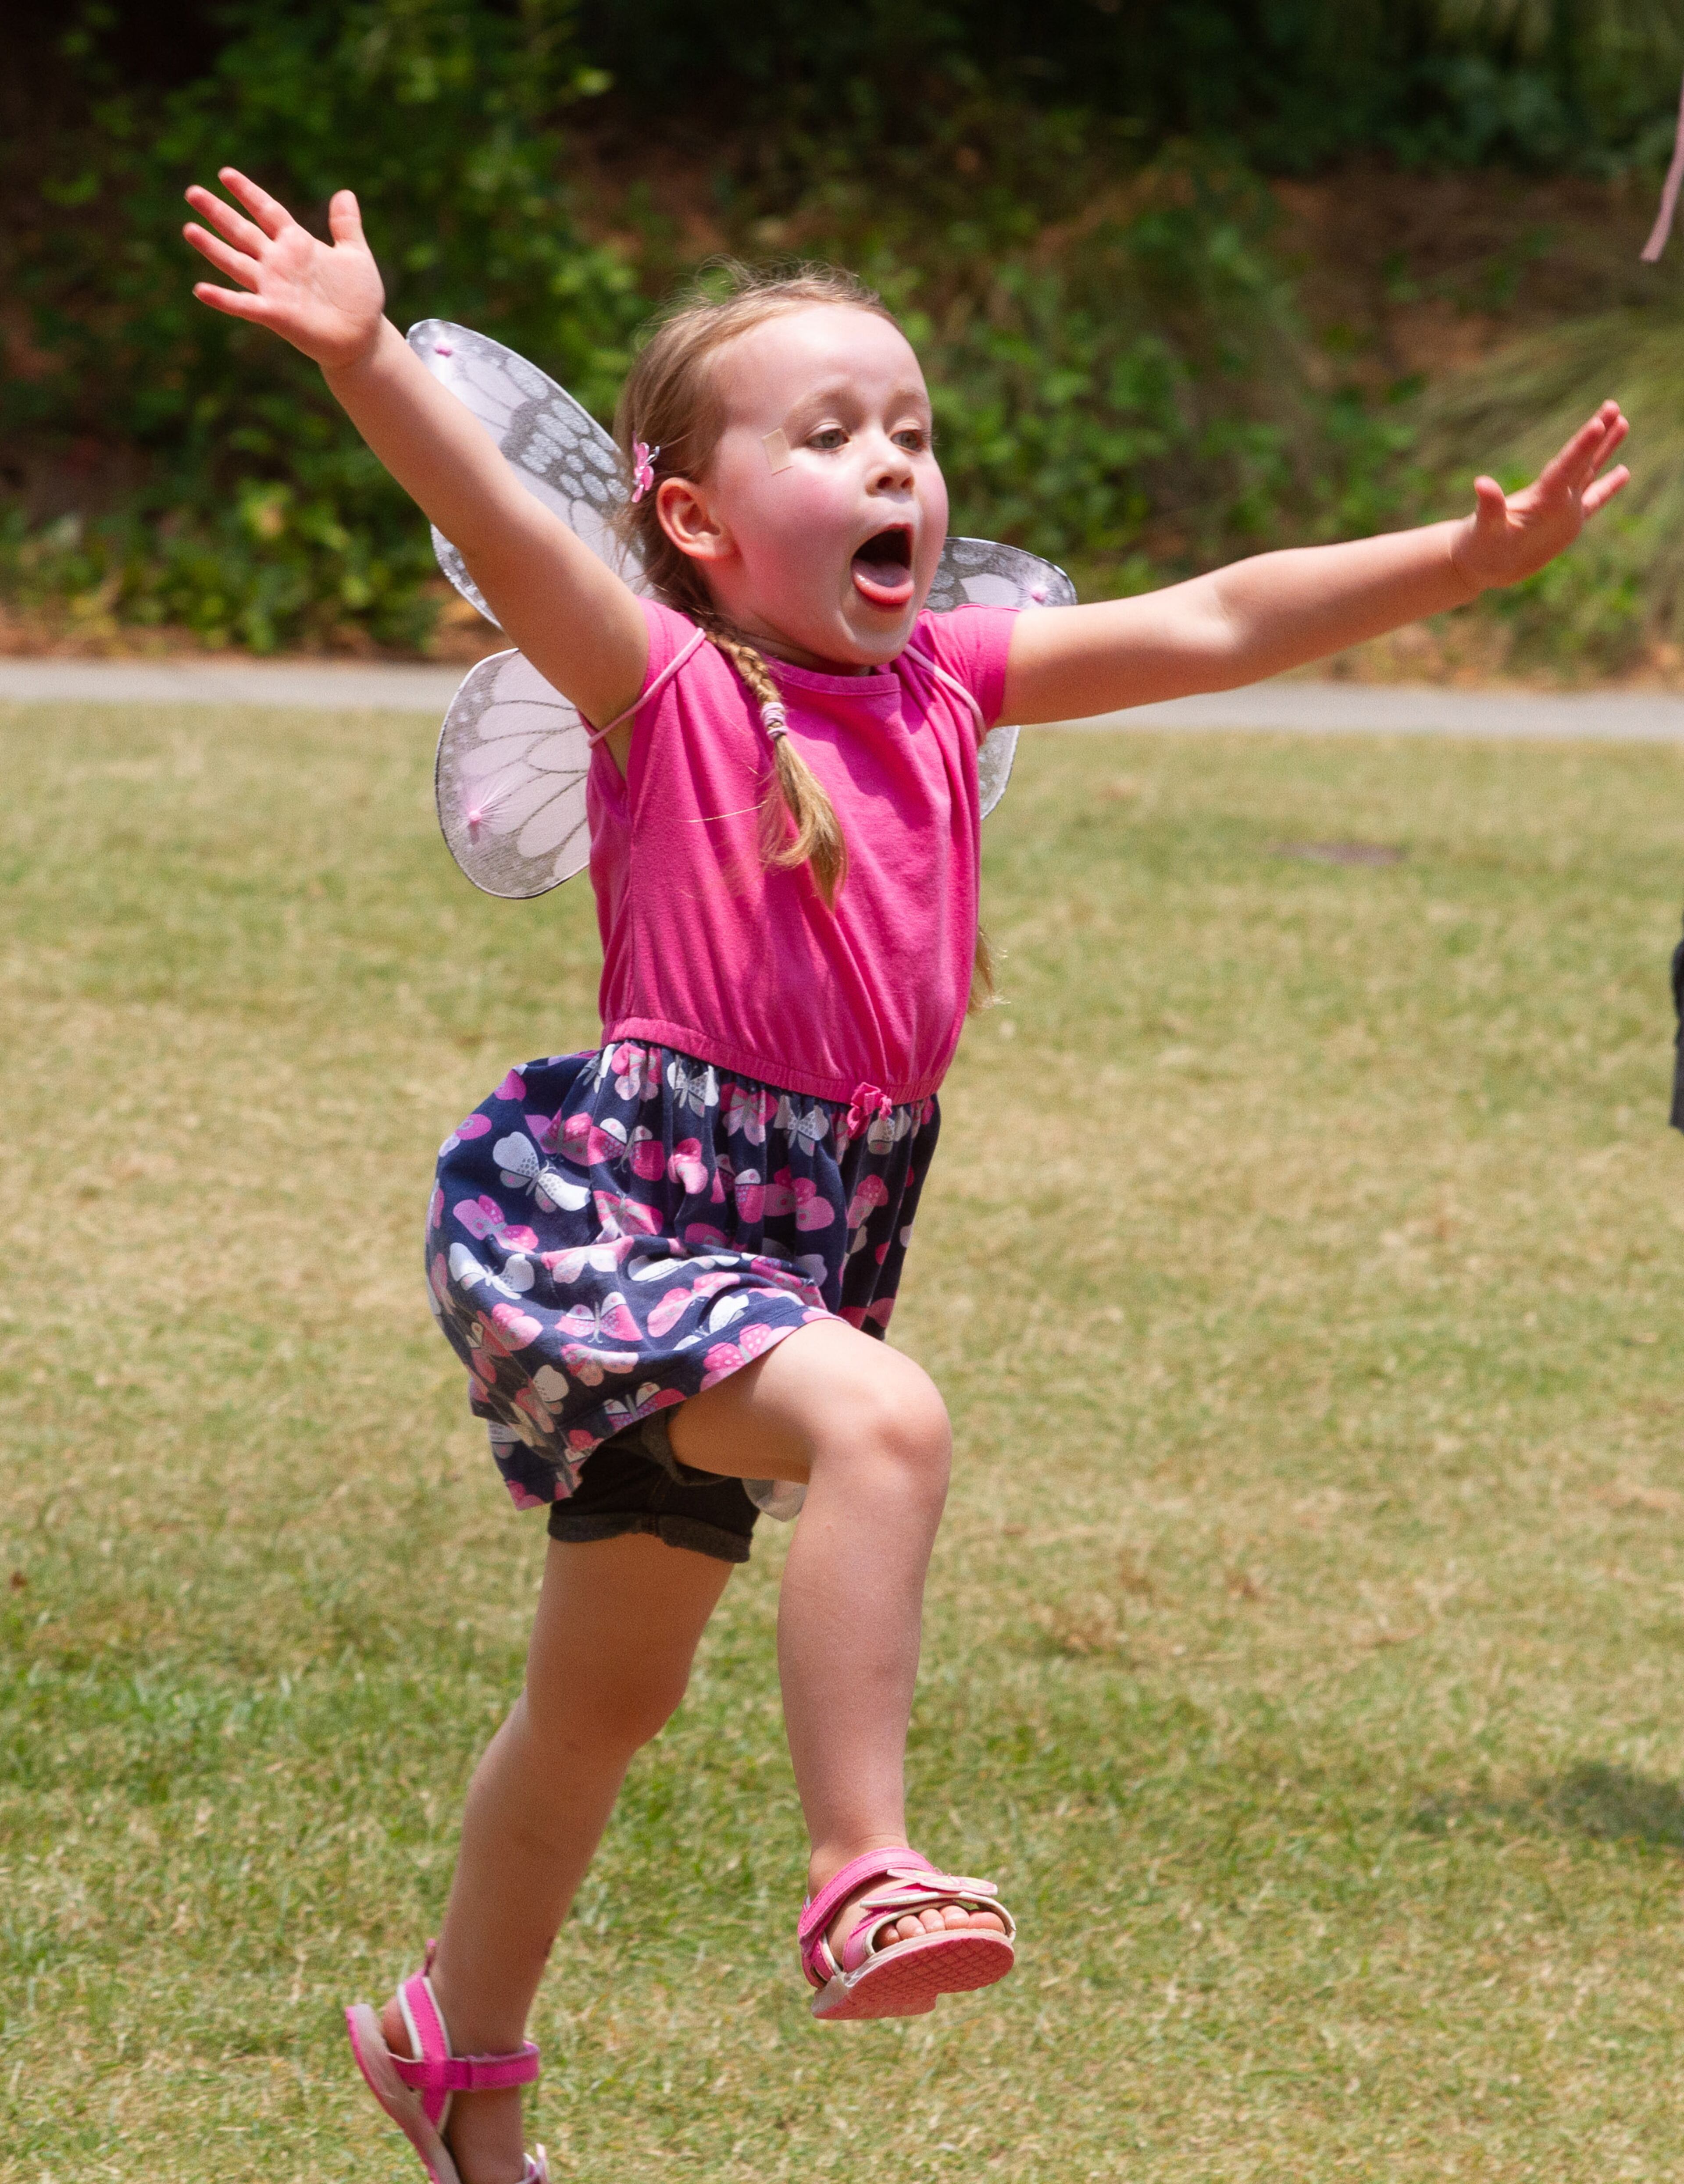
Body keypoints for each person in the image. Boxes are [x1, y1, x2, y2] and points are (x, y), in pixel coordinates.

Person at [182, 166, 1630, 2184]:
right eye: (830, 434)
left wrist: (1453, 572)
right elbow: (512, 530)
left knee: (599, 1709)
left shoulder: (949, 682)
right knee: (888, 1422)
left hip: (804, 1235)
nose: (894, 465)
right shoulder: (665, 683)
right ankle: (864, 1864)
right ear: (693, 518)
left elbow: (1217, 614)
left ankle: (456, 2049)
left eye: (913, 431)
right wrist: (364, 356)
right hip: (633, 1224)